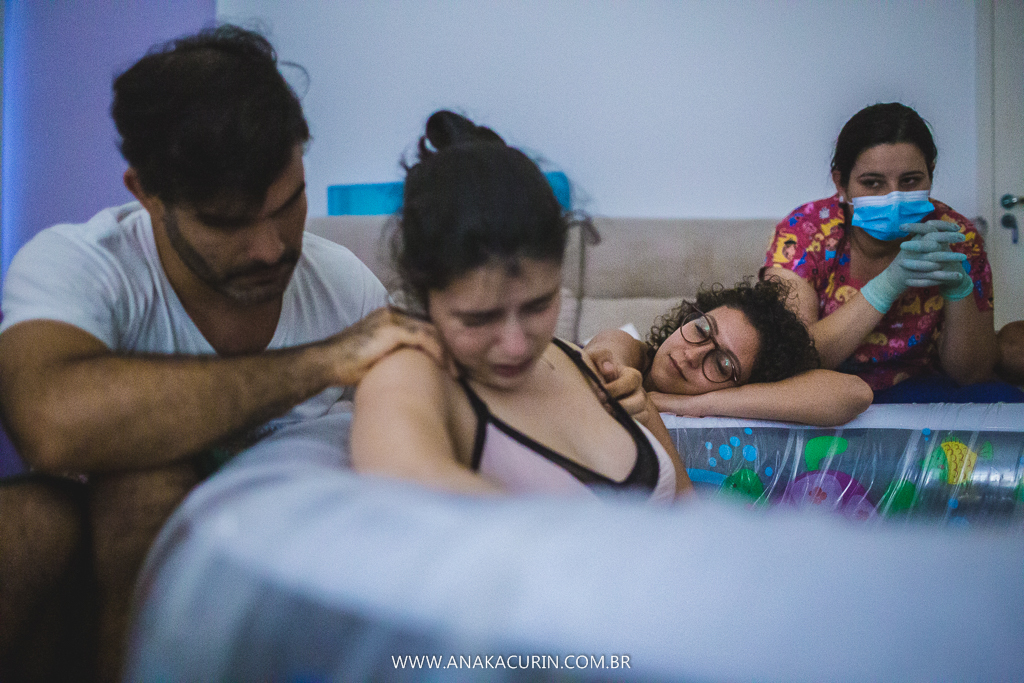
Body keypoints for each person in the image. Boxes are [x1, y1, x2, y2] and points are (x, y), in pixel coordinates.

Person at [0, 26, 440, 681]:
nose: (270, 248)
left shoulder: (344, 284)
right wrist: (321, 362)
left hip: (281, 563)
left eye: (288, 204)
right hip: (93, 562)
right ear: (147, 193)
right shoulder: (81, 264)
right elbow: (51, 422)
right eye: (226, 222)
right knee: (72, 508)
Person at [350, 110, 690, 500]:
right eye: (478, 319)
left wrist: (646, 415)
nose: (516, 346)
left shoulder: (581, 361)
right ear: (423, 294)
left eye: (538, 306)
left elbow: (690, 511)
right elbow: (400, 483)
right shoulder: (411, 372)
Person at [762, 102, 1024, 404]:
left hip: (924, 388)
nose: (893, 197)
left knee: (1001, 401)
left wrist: (959, 291)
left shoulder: (956, 236)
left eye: (910, 181)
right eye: (872, 183)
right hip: (829, 392)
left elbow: (973, 374)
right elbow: (792, 360)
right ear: (841, 183)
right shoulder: (805, 231)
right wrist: (888, 285)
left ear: (931, 174)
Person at [583, 279, 874, 427]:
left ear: (744, 387)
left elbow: (854, 393)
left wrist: (692, 405)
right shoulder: (636, 354)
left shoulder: (718, 406)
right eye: (701, 329)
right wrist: (611, 370)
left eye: (722, 364)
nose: (691, 356)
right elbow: (611, 346)